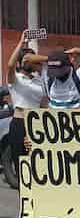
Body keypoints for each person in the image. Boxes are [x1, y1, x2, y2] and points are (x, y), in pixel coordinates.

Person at [5, 36, 45, 184]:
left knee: (37, 163)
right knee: (22, 164)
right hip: (20, 123)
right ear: (21, 63)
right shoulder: (15, 79)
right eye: (27, 60)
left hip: (36, 124)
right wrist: (21, 42)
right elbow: (9, 65)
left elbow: (44, 103)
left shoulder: (39, 80)